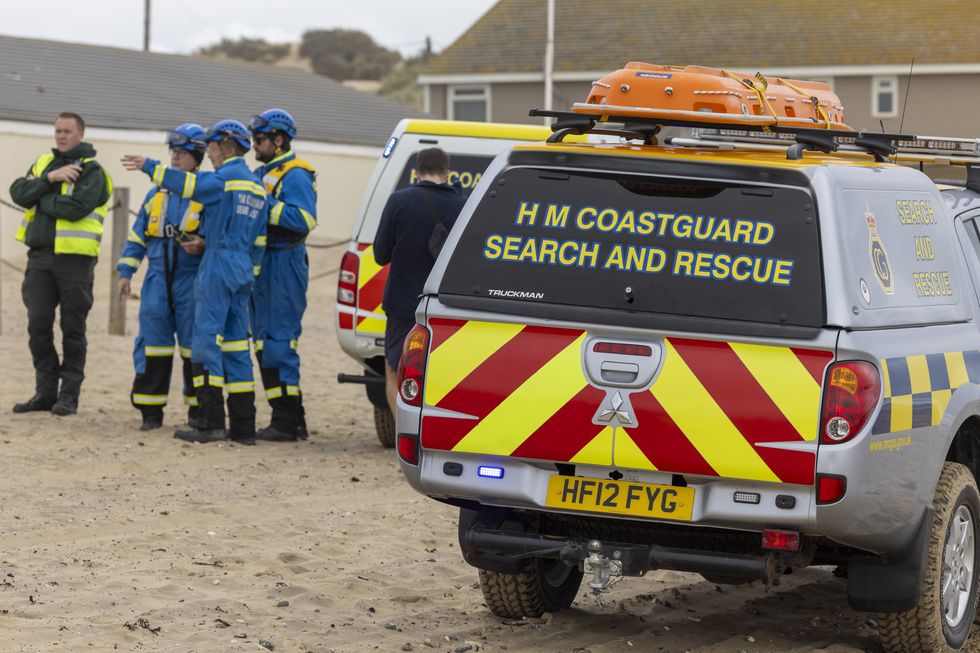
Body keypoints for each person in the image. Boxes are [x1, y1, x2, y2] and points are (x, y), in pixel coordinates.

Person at [121, 119, 266, 445]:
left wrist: (150, 167)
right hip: (242, 269)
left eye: (211, 148)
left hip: (216, 265)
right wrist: (249, 275)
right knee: (236, 346)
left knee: (204, 343)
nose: (209, 154)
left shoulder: (222, 180)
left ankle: (210, 422)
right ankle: (243, 428)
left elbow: (187, 187)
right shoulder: (258, 187)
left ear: (224, 147)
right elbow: (260, 241)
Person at [10, 112, 112, 416]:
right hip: (40, 258)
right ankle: (44, 392)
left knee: (72, 329)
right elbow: (18, 192)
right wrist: (49, 179)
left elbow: (77, 207)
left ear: (81, 133)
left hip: (76, 263)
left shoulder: (94, 172)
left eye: (67, 131)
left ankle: (68, 395)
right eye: (57, 131)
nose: (61, 136)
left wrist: (41, 199)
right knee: (38, 325)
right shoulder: (44, 164)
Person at [117, 124, 208, 431]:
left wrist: (204, 245)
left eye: (181, 154)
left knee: (193, 348)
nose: (175, 159)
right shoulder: (155, 195)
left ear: (197, 157)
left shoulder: (208, 193)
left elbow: (222, 237)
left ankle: (197, 412)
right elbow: (137, 238)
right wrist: (126, 272)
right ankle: (150, 413)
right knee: (152, 345)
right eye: (173, 153)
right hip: (156, 282)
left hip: (191, 281)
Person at [373, 147, 466, 417]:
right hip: (445, 307)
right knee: (439, 373)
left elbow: (380, 255)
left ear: (416, 172)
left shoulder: (399, 201)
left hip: (403, 305)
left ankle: (404, 434)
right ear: (447, 173)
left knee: (395, 368)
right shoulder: (464, 205)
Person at [248, 108, 317, 442]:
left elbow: (304, 219)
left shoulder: (296, 174)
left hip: (284, 265)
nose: (253, 145)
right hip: (264, 264)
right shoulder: (264, 172)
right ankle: (290, 419)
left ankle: (287, 422)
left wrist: (263, 207)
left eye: (259, 139)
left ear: (279, 139)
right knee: (263, 342)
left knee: (279, 342)